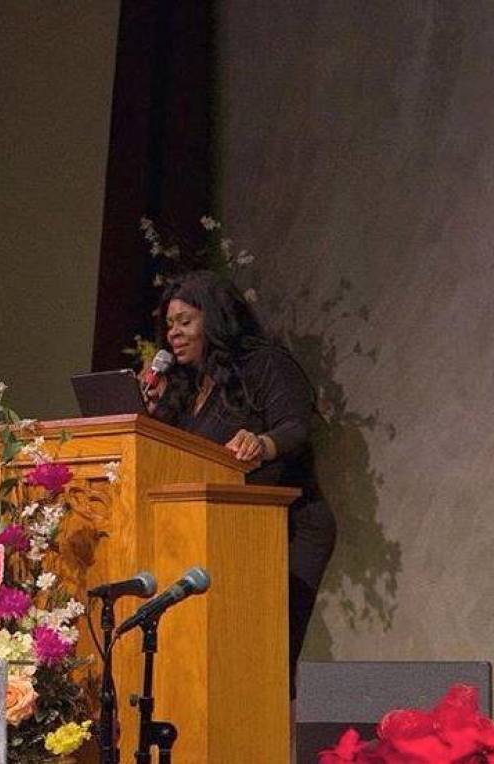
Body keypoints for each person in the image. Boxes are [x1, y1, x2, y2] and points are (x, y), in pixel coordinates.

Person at [145, 269, 337, 698]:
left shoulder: (264, 364)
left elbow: (296, 426)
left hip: (287, 527)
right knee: (224, 661)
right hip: (221, 533)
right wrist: (149, 414)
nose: (173, 334)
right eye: (169, 326)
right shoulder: (182, 388)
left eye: (185, 322)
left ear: (214, 320)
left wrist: (262, 443)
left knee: (266, 657)